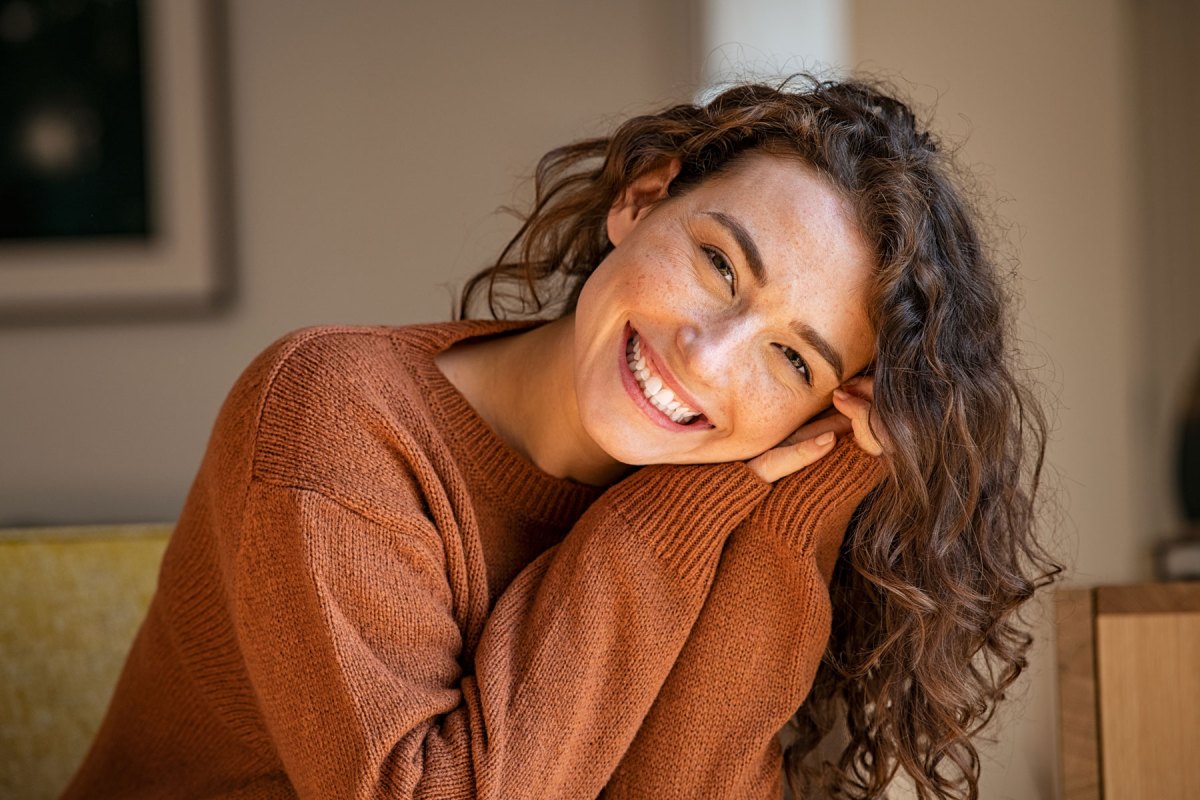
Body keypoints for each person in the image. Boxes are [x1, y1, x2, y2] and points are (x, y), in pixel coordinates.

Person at [63, 77, 1058, 799]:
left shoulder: (734, 492)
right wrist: (684, 503)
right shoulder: (335, 413)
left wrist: (799, 503)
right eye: (719, 264)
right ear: (640, 201)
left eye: (794, 360)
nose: (708, 358)